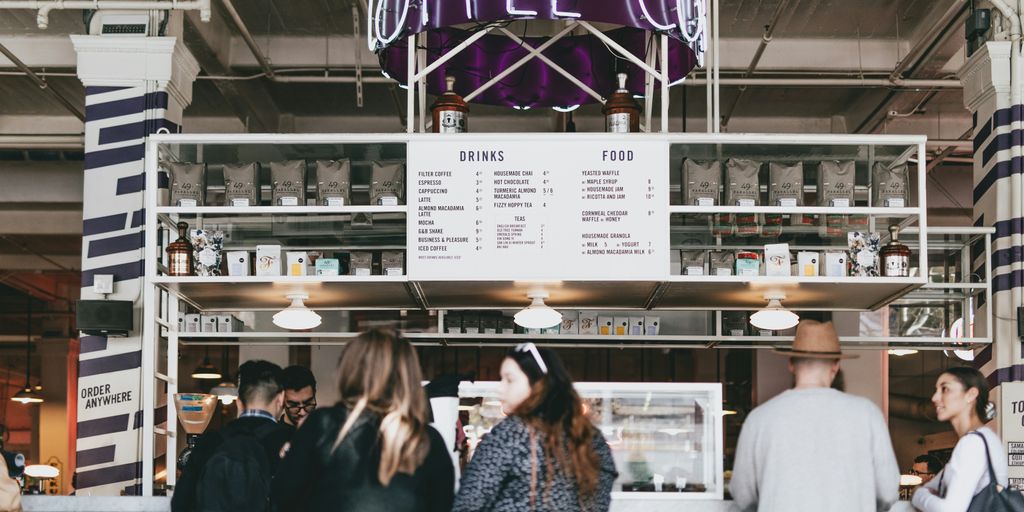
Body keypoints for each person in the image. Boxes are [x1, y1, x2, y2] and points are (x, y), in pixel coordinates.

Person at [271, 328, 454, 512]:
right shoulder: (427, 440)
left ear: (349, 370)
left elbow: (283, 497)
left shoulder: (322, 425)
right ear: (407, 376)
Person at [730, 320, 900, 512]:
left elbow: (744, 497)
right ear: (836, 365)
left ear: (791, 364)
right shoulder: (867, 414)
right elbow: (887, 492)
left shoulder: (760, 418)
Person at [452, 342, 618, 512]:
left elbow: (467, 505)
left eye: (509, 380)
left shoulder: (510, 435)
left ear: (538, 383)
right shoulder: (591, 438)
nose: (500, 388)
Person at [171, 360, 292, 512]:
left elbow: (181, 504)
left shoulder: (210, 442)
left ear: (239, 402)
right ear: (281, 399)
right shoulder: (293, 441)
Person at [912, 367, 1008, 511]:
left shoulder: (973, 444)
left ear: (970, 394)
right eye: (936, 390)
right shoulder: (979, 439)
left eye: (945, 389)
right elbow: (932, 487)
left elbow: (951, 509)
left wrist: (918, 495)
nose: (934, 398)